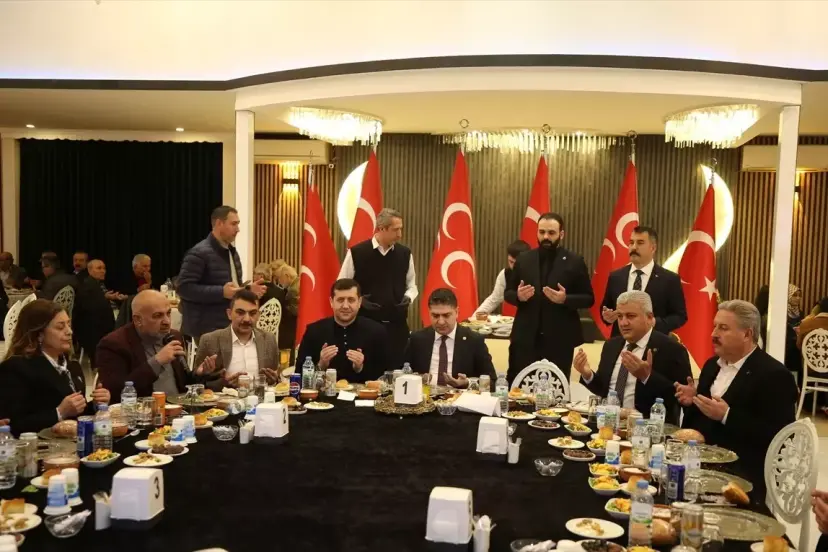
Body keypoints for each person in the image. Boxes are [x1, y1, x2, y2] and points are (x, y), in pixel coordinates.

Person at [675, 300, 797, 497]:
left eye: (723, 328)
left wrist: (727, 416)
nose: (714, 334)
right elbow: (700, 423)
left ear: (747, 334)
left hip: (742, 475)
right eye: (715, 326)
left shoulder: (774, 375)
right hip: (699, 466)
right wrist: (693, 401)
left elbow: (779, 437)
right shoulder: (711, 366)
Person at [573, 291, 691, 424]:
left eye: (630, 316)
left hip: (648, 428)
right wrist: (588, 375)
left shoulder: (672, 350)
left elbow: (682, 399)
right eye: (619, 316)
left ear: (649, 317)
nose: (623, 323)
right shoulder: (611, 345)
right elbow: (603, 390)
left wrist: (647, 377)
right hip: (607, 424)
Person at [503, 212, 594, 381]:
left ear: (561, 234)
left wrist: (565, 299)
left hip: (559, 340)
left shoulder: (574, 261)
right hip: (526, 338)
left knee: (555, 388)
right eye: (542, 232)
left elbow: (588, 298)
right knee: (518, 386)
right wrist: (518, 296)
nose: (546, 237)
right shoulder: (524, 259)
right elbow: (508, 293)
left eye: (551, 233)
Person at [0, 300, 110, 435]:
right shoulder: (17, 368)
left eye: (69, 325)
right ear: (39, 334)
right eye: (60, 327)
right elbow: (12, 425)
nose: (69, 332)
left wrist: (97, 404)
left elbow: (77, 415)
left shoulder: (72, 366)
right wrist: (59, 413)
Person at [96, 290, 220, 403]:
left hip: (180, 410)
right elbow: (116, 392)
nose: (167, 321)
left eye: (168, 313)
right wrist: (157, 361)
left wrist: (199, 373)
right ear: (138, 320)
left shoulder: (173, 336)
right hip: (142, 414)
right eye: (158, 316)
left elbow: (183, 384)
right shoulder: (114, 344)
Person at [339, 208, 416, 369]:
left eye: (401, 229)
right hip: (365, 327)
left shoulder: (405, 254)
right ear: (381, 228)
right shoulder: (357, 253)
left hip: (397, 327)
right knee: (366, 370)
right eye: (396, 230)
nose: (400, 234)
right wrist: (359, 301)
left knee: (396, 370)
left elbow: (412, 285)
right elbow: (341, 285)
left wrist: (409, 297)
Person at [177, 206, 265, 342]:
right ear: (219, 223)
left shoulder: (232, 252)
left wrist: (247, 289)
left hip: (230, 323)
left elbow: (232, 289)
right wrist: (221, 292)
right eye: (233, 224)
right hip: (207, 327)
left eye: (238, 224)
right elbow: (184, 288)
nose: (238, 229)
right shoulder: (199, 253)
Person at [296, 279, 388, 384]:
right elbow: (298, 376)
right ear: (331, 302)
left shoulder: (377, 332)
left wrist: (360, 368)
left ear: (359, 302)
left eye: (351, 300)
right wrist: (321, 365)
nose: (345, 306)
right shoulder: (314, 331)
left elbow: (385, 378)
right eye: (340, 300)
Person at [600, 226, 686, 337]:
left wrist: (654, 322)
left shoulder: (669, 279)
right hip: (621, 342)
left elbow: (680, 316)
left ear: (653, 248)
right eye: (631, 243)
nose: (634, 247)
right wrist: (607, 317)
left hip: (655, 342)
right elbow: (606, 308)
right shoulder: (616, 277)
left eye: (640, 243)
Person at [404, 288, 497, 388]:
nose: (441, 322)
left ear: (457, 312)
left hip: (460, 396)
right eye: (435, 316)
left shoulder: (474, 340)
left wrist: (467, 383)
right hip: (425, 395)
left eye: (446, 315)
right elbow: (401, 374)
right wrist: (417, 379)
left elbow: (492, 381)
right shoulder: (417, 339)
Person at [194, 289, 280, 389]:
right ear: (229, 314)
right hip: (224, 398)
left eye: (252, 313)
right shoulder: (210, 341)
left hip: (261, 398)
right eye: (240, 313)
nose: (247, 319)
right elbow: (195, 382)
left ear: (258, 315)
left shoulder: (269, 340)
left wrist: (273, 380)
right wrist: (224, 384)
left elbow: (276, 380)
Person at [73, 259, 116, 367]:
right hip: (91, 332)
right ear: (89, 270)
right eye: (99, 268)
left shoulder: (95, 285)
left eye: (104, 268)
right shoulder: (88, 287)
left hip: (98, 328)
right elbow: (90, 313)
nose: (103, 271)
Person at [474, 240, 531, 319]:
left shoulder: (537, 273)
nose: (513, 267)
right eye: (511, 262)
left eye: (517, 263)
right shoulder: (505, 274)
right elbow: (494, 300)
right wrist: (473, 319)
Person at [272, 263, 299, 365]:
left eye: (279, 278)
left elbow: (294, 311)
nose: (279, 282)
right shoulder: (299, 282)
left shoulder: (292, 290)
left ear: (287, 276)